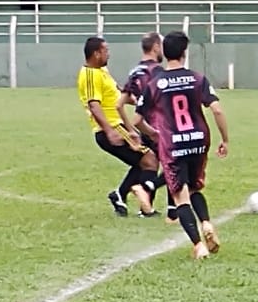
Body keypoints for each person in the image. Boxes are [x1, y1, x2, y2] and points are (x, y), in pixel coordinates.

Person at [139, 30, 229, 260]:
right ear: (184, 53)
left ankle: (199, 245)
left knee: (180, 195)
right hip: (199, 140)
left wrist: (154, 133)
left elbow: (137, 120)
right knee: (196, 187)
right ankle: (207, 222)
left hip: (174, 144)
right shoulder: (197, 78)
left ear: (165, 53)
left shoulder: (155, 84)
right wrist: (224, 139)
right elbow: (216, 109)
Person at [79, 35, 159, 219]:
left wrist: (141, 102)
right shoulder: (90, 74)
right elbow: (94, 105)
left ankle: (120, 195)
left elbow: (119, 94)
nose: (109, 54)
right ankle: (145, 208)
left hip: (120, 125)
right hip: (113, 128)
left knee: (143, 162)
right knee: (150, 160)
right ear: (96, 53)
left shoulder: (102, 71)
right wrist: (109, 131)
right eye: (106, 50)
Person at [118, 31, 173, 222]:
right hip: (160, 127)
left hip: (143, 126)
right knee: (173, 165)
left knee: (152, 164)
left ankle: (145, 208)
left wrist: (131, 130)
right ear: (156, 47)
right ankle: (172, 211)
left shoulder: (134, 72)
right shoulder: (157, 72)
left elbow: (119, 104)